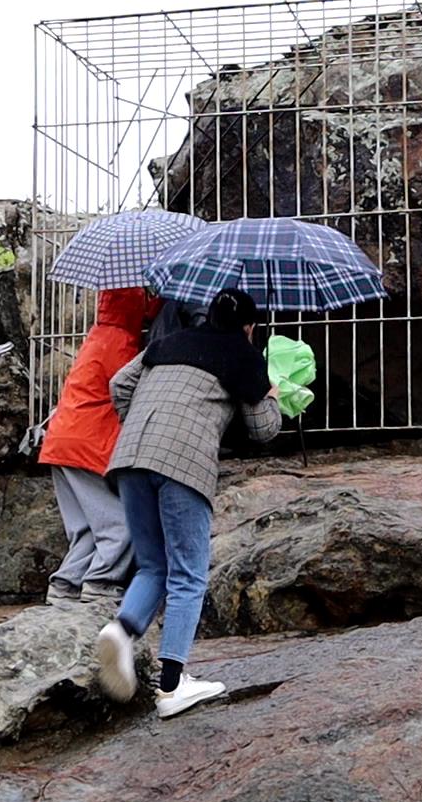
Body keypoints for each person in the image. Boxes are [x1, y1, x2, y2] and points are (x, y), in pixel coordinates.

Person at [95, 288, 280, 719]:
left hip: (131, 455)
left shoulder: (168, 342)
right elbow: (262, 429)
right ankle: (172, 686)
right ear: (249, 326)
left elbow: (119, 384)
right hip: (183, 462)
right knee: (188, 574)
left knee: (152, 565)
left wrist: (145, 425)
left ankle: (121, 630)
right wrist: (271, 393)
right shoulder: (244, 354)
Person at [37, 287, 160, 603]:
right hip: (87, 446)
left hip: (60, 444)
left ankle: (65, 586)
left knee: (86, 529)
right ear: (133, 305)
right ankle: (101, 583)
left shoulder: (98, 335)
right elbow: (127, 388)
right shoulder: (120, 340)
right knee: (120, 524)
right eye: (144, 300)